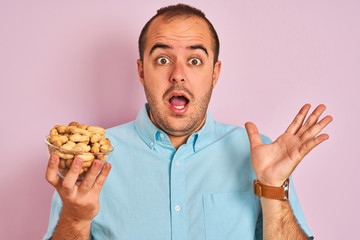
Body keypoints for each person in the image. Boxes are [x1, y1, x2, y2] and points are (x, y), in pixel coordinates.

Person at [43, 4, 332, 240]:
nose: (178, 74)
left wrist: (272, 191)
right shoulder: (90, 159)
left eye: (194, 61)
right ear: (141, 71)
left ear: (215, 73)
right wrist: (76, 218)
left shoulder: (259, 157)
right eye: (162, 60)